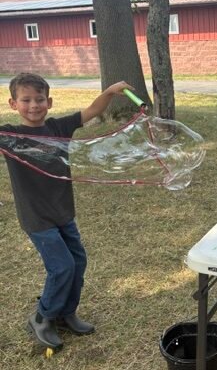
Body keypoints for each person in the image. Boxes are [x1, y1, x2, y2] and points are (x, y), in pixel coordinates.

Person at [0, 72, 133, 351]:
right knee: (62, 267)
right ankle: (42, 317)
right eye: (26, 100)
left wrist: (110, 91)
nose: (34, 105)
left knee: (78, 262)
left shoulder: (58, 127)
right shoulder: (10, 136)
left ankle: (66, 312)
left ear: (49, 102)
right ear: (13, 104)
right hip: (37, 218)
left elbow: (92, 110)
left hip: (63, 212)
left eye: (39, 99)